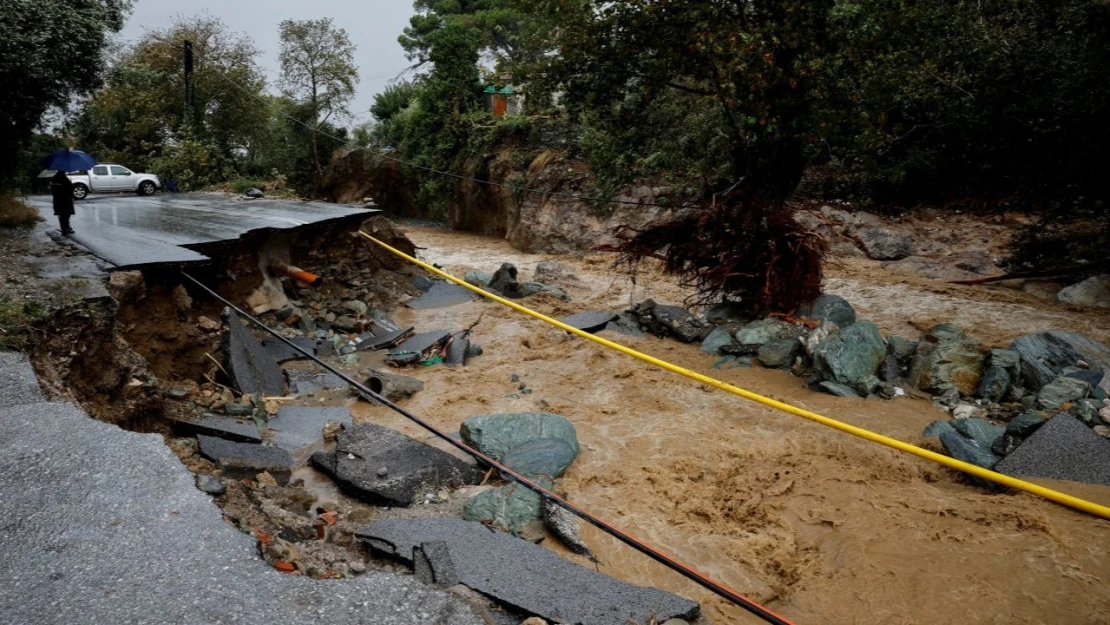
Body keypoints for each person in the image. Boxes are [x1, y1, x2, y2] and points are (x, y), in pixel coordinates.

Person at [50, 170, 75, 235]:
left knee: (61, 214)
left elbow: (52, 190)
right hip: (65, 199)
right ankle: (66, 228)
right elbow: (68, 189)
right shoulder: (64, 179)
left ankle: (63, 227)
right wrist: (71, 185)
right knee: (66, 214)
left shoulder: (53, 179)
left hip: (57, 199)